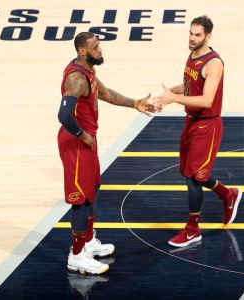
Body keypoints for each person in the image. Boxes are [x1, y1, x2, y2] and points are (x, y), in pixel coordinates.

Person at [58, 32, 155, 274]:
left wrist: (135, 103)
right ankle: (77, 255)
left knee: (92, 190)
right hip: (76, 143)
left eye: (99, 45)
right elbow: (63, 116)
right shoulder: (77, 79)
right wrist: (83, 135)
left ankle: (88, 241)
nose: (100, 50)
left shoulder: (89, 72)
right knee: (80, 200)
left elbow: (105, 93)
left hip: (87, 142)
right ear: (83, 51)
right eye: (95, 46)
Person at [153, 16, 242, 248]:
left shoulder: (214, 63)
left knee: (194, 178)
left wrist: (174, 99)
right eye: (190, 33)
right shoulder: (192, 55)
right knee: (191, 173)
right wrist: (168, 95)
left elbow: (206, 99)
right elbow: (190, 86)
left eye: (198, 35)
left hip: (207, 125)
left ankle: (193, 230)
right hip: (191, 121)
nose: (192, 39)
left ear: (208, 36)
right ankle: (227, 194)